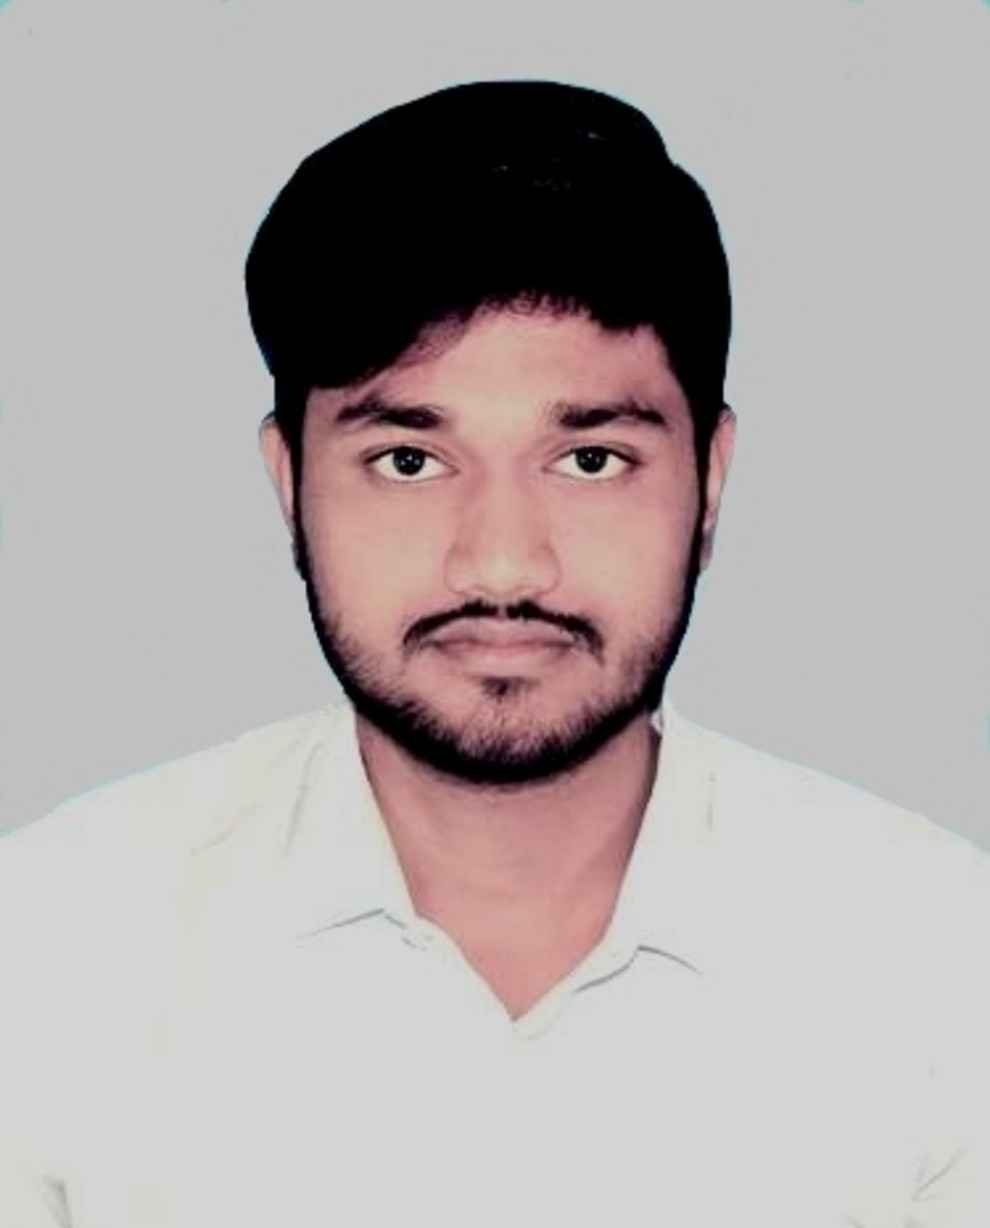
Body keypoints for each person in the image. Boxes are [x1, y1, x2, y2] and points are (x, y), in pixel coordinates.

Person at [2, 80, 988, 1227]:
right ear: (289, 484)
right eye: (410, 462)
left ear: (710, 481)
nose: (504, 562)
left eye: (591, 460)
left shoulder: (946, 964)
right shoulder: (48, 949)